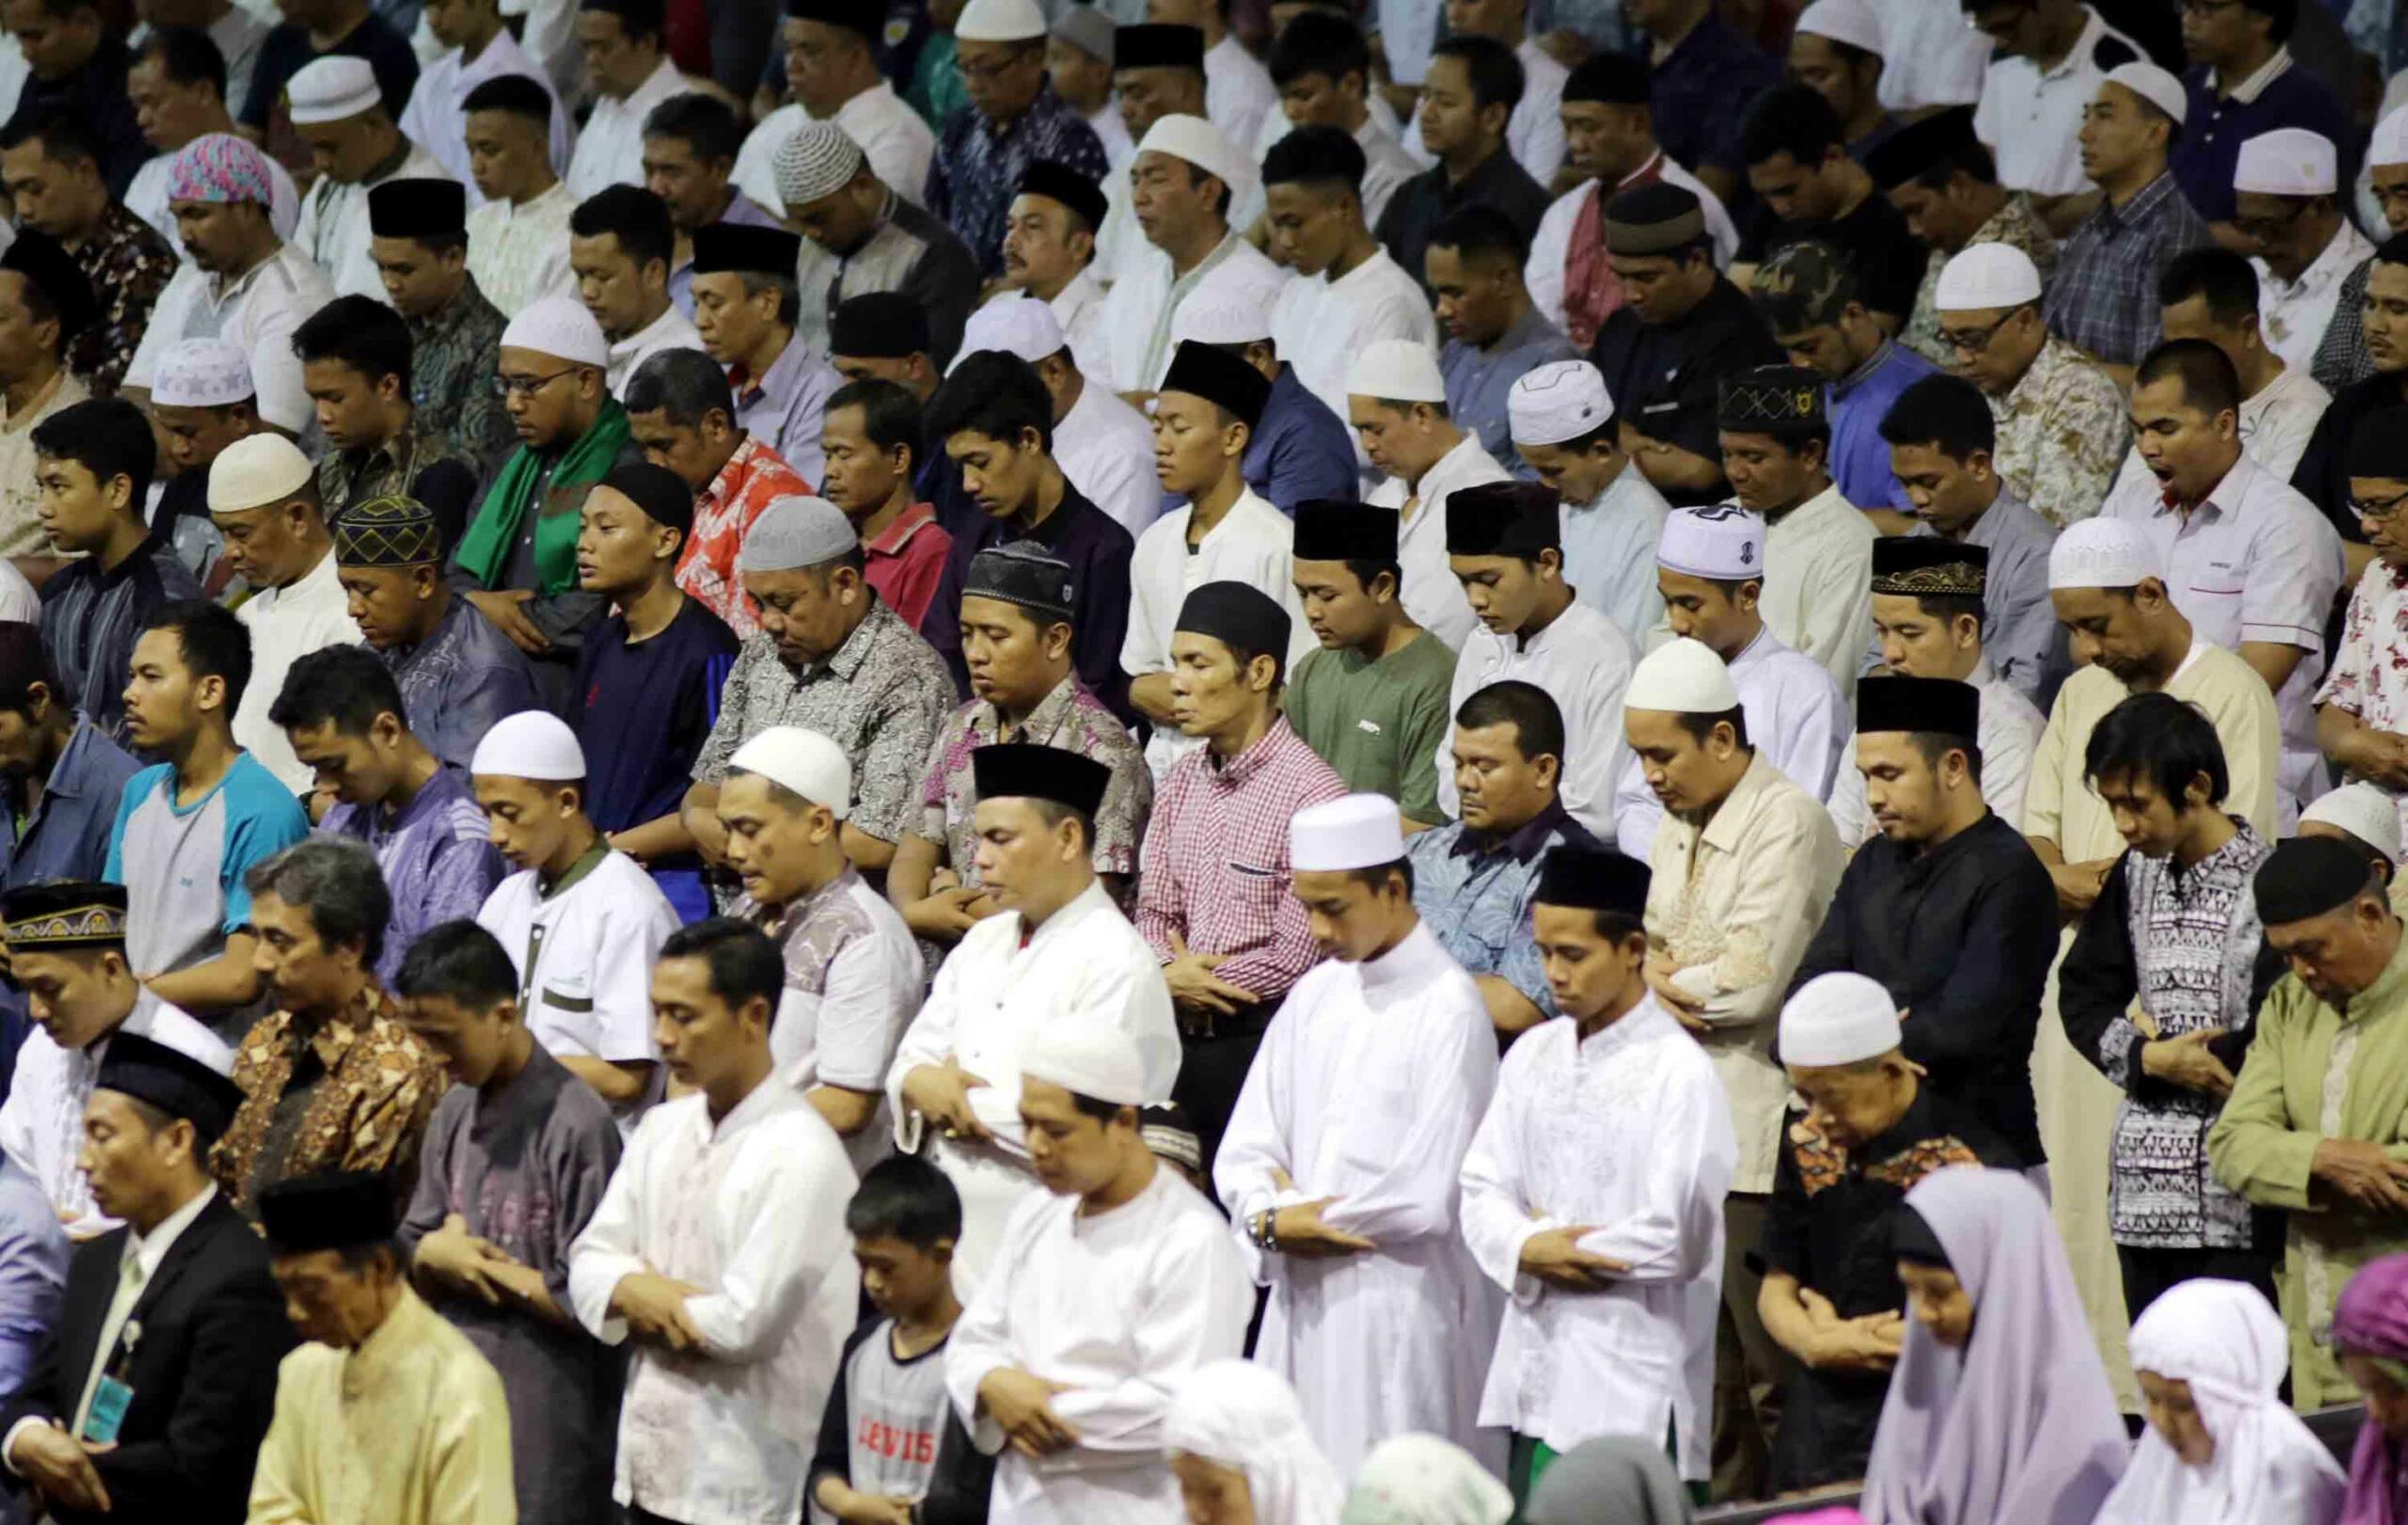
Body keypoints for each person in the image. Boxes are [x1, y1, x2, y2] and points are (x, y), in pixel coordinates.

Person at [1216, 793, 1499, 1473]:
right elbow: (1247, 1147)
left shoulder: (1449, 1008)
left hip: (1399, 1309)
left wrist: (1289, 1218)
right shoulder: (1315, 996)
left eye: (1333, 907)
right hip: (1302, 1303)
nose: (1316, 929)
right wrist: (1269, 1216)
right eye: (1306, 907)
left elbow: (1427, 1197)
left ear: (1393, 889)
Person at [1625, 637, 1843, 1494]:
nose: (1649, 776)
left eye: (1662, 755)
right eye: (1641, 756)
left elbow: (1749, 986)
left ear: (1721, 738)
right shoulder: (1678, 822)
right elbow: (1641, 951)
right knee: (1704, 1383)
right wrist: (1653, 975)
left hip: (1756, 1137)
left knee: (1770, 1378)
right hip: (1679, 1130)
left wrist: (1648, 982)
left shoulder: (1787, 819)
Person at [566, 918, 863, 1525]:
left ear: (753, 1016)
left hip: (746, 1474)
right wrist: (653, 1296)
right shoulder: (661, 1128)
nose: (662, 1036)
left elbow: (743, 1325)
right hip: (647, 1458)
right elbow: (587, 1265)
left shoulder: (802, 1151)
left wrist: (633, 1294)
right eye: (657, 1013)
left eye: (684, 1016)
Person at [1459, 843, 1733, 1499]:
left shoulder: (1679, 1073)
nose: (1553, 973)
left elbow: (1677, 1236)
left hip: (1635, 1376)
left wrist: (1550, 1244)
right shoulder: (1533, 1054)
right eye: (1543, 952)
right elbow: (1480, 1187)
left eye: (1573, 955)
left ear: (1633, 949)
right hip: (1537, 1362)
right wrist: (1528, 1244)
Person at [884, 741, 1178, 1285]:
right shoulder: (984, 939)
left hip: (1051, 1244)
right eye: (979, 839)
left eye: (1000, 839)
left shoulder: (1117, 961)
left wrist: (949, 1096)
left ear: (1068, 838)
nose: (979, 859)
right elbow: (909, 1061)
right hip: (946, 1230)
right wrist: (919, 1080)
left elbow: (1090, 1122)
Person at [943, 1020, 1249, 1523]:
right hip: (1020, 1501)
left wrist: (1030, 1408)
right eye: (1027, 1124)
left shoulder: (1192, 1240)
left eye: (1057, 1130)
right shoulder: (1037, 1211)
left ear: (1123, 1123)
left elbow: (1177, 1404)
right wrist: (990, 1381)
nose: (1036, 1146)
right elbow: (973, 1338)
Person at [391, 920, 626, 1525]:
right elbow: (413, 1245)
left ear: (503, 1015)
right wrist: (431, 1256)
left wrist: (478, 1268)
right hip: (451, 1394)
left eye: (445, 1038)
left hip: (545, 1414)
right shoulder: (453, 1109)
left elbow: (597, 1303)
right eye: (421, 1040)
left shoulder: (578, 1124)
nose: (434, 1058)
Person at [2056, 692, 2282, 1314]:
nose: (2124, 824)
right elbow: (2082, 992)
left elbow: (2275, 1025)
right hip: (2139, 1192)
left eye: (2136, 804)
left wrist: (2206, 1060)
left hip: (2236, 1194)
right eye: (2112, 805)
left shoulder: (2269, 882)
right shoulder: (2134, 874)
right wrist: (2148, 1056)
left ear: (2197, 787)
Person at [0, 1032, 282, 1525]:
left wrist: (69, 1469)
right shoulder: (95, 1260)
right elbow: (35, 1392)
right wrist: (24, 1439)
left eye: (103, 1136)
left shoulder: (242, 1275)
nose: (83, 1160)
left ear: (176, 1142)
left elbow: (207, 1463)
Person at [1754, 973, 2020, 1492]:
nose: (1816, 1119)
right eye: (1804, 1098)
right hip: (1820, 1417)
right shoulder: (1806, 1145)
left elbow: (2001, 1318)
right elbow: (1776, 1284)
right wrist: (1814, 1343)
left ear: (1892, 1071)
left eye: (1831, 1098)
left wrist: (1864, 1343)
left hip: (1937, 1410)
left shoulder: (1975, 1165)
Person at [1796, 675, 2055, 1171]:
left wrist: (1842, 1040)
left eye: (1889, 774)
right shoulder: (1871, 862)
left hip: (1982, 1161)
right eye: (1866, 777)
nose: (1873, 797)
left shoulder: (2011, 873)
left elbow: (1961, 1032)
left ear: (1953, 767)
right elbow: (1809, 989)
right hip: (1868, 1158)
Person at [1137, 582, 1346, 1164]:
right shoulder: (1181, 781)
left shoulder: (1314, 796)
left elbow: (1297, 953)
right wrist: (1167, 972)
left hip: (1260, 1043)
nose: (1177, 682)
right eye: (1175, 663)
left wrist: (1198, 982)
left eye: (1198, 664)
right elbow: (1153, 909)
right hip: (1170, 1035)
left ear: (1258, 672)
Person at [2102, 338, 2345, 823]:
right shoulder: (2128, 506)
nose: (2148, 447)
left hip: (2251, 791)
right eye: (2139, 430)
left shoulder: (2287, 525)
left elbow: (2251, 682)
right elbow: (2088, 635)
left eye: (2165, 428)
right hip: (2139, 777)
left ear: (2225, 424)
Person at [2210, 834, 2408, 1408]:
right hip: (2315, 1357)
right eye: (2285, 955)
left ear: (2369, 915)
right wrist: (2324, 1159)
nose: (2301, 970)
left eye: (2312, 949)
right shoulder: (2288, 1006)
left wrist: (2287, 1162)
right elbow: (2232, 1145)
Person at [887, 543, 1149, 961]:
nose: (976, 653)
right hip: (954, 969)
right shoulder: (961, 727)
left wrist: (951, 898)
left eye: (996, 636)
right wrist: (912, 909)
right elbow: (916, 845)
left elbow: (1085, 903)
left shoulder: (1102, 751)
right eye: (967, 634)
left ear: (1056, 640)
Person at [683, 495, 957, 877]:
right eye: (759, 604)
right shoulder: (760, 655)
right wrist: (696, 819)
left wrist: (749, 844)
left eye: (784, 603)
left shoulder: (908, 677)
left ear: (845, 584)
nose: (769, 622)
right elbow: (705, 790)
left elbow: (878, 842)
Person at [1857, 1168, 2130, 1525]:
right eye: (1910, 1290)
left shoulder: (2077, 1426)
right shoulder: (1930, 1382)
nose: (1921, 1314)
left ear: (2002, 1281)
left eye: (1939, 1292)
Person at [246, 1170, 515, 1524]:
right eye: (285, 1291)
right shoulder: (301, 1371)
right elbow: (271, 1511)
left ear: (379, 1268)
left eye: (311, 1291)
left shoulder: (461, 1389)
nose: (294, 1311)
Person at [719, 726, 921, 1168]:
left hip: (808, 1185)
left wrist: (724, 1127)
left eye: (749, 830)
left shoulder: (865, 937)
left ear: (818, 824)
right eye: (727, 830)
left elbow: (847, 1104)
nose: (733, 850)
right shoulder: (746, 911)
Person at [212, 840, 447, 1214]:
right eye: (257, 938)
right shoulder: (267, 1038)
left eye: (279, 942)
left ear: (349, 948)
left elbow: (346, 1230)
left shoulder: (399, 1072)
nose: (260, 962)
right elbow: (220, 1176)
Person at [105, 600, 312, 1025]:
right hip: (128, 1040)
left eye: (151, 677)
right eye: (131, 676)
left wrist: (128, 999)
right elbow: (109, 923)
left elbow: (242, 976)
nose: (130, 693)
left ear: (210, 692)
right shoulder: (140, 792)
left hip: (213, 1055)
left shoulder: (264, 811)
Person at [467, 708, 675, 1125]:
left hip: (597, 1150)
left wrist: (513, 1062)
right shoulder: (505, 899)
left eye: (509, 812)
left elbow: (627, 1079)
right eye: (488, 814)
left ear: (566, 802)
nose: (496, 835)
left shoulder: (629, 908)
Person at [1610, 504, 1848, 862]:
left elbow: (1799, 827)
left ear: (1747, 595)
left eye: (1690, 605)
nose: (1676, 622)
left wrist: (1708, 874)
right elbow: (1635, 804)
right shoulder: (1668, 672)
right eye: (1669, 602)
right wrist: (1671, 871)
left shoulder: (1805, 691)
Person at [918, 349, 1137, 721]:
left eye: (981, 462)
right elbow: (940, 656)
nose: (969, 484)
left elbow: (1098, 691)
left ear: (1030, 440)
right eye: (961, 467)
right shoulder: (972, 537)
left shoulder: (1104, 551)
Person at [0, 880, 230, 1229]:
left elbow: (203, 1211)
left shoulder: (191, 1057)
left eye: (49, 989)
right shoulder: (39, 1048)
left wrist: (100, 1244)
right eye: (26, 990)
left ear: (111, 969)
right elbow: (16, 1164)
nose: (36, 1011)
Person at [1126, 340, 1306, 783]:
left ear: (1233, 437)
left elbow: (1298, 688)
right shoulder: (1154, 541)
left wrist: (1204, 703)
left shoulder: (1277, 544)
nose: (1162, 445)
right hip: (1163, 768)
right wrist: (1205, 695)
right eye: (1157, 428)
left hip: (1255, 773)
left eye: (1179, 428)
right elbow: (1138, 680)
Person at [569, 459, 740, 922]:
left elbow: (719, 797)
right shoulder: (600, 640)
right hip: (590, 873)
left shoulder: (708, 650)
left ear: (665, 541)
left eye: (606, 528)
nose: (584, 544)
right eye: (584, 527)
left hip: (670, 890)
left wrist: (611, 851)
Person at [449, 294, 631, 710]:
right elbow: (457, 576)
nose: (513, 403)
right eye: (506, 385)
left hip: (573, 684)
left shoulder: (627, 468)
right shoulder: (509, 462)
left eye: (529, 385)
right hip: (483, 671)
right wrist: (479, 606)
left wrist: (487, 618)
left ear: (586, 382)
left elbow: (599, 605)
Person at [1434, 481, 1632, 839]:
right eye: (1464, 582)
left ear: (1547, 564)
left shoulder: (1607, 656)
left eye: (1489, 580)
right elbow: (1449, 778)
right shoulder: (1479, 643)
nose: (1475, 599)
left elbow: (1596, 808)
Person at [807, 1154, 992, 1525]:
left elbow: (978, 1496)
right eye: (863, 1264)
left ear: (940, 1256)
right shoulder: (862, 1346)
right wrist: (847, 1503)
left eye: (887, 1267)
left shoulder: (976, 1361)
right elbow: (826, 1466)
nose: (872, 1282)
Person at [1830, 540, 2047, 838]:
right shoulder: (1882, 713)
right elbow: (1838, 840)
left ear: (1965, 630)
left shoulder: (2009, 732)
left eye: (1909, 633)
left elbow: (1990, 857)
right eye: (1882, 631)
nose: (1890, 654)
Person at [1586, 183, 1783, 509]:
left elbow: (1695, 470)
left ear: (1696, 260)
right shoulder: (1620, 326)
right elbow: (1576, 418)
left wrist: (1601, 442)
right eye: (1620, 276)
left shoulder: (1743, 339)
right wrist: (1625, 444)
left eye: (1648, 278)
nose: (1631, 294)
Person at [121, 133, 331, 437]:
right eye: (178, 217)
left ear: (246, 208)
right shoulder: (190, 276)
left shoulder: (295, 299)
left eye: (197, 214)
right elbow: (135, 393)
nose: (184, 234)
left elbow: (268, 440)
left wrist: (160, 437)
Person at [1527, 52, 1738, 352]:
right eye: (1568, 127)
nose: (1575, 143)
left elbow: (1709, 316)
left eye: (1589, 127)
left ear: (1637, 123)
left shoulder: (1692, 208)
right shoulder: (1563, 212)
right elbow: (1541, 315)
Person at [2093, 1277, 2346, 1525]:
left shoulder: (2288, 1475)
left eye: (2183, 1406)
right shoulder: (2160, 1461)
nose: (2161, 1423)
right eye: (2151, 1399)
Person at [1877, 374, 2060, 703]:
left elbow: (2025, 692)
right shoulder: (1914, 541)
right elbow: (1873, 663)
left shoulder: (2038, 555)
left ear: (1978, 465)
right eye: (1905, 484)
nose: (1916, 499)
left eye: (1929, 482)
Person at [31, 397, 202, 743]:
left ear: (118, 490)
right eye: (41, 488)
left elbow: (164, 741)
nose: (43, 508)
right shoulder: (59, 593)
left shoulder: (166, 599)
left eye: (59, 487)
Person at [330, 494, 540, 773]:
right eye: (348, 590)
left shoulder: (482, 672)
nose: (353, 609)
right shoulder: (377, 648)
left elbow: (465, 795)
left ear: (423, 581)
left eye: (367, 591)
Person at [206, 434, 366, 795]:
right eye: (223, 534)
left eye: (241, 534)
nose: (229, 552)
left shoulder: (353, 612)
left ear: (297, 518)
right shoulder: (247, 615)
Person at [1283, 500, 1455, 831]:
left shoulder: (1435, 680)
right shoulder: (1311, 669)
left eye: (1327, 596)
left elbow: (1423, 822)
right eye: (1303, 594)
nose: (1312, 611)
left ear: (1382, 587)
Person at [1933, 240, 2131, 528]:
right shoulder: (1972, 389)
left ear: (2025, 321)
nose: (1962, 357)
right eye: (1951, 341)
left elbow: (2045, 535)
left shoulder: (2082, 395)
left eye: (1973, 340)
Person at [622, 345, 812, 641]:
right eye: (644, 448)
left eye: (664, 445)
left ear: (716, 425)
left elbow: (755, 647)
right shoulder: (679, 485)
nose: (653, 462)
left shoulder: (774, 504)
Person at [2106, 246, 2330, 496]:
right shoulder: (2166, 401)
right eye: (2173, 348)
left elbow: (2271, 513)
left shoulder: (2305, 411)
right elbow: (2123, 504)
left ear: (2248, 329)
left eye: (2196, 347)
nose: (2181, 363)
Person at [1715, 365, 1877, 698]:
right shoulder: (1721, 519)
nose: (1735, 472)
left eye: (1753, 458)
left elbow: (1821, 680)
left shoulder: (1853, 546)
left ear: (1810, 455)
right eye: (1727, 455)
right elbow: (1671, 631)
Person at [1260, 125, 1438, 428]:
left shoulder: (1392, 302)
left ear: (1344, 208)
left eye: (1295, 223)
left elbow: (1381, 431)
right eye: (1278, 226)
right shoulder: (1295, 291)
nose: (1285, 241)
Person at [1098, 113, 1289, 395]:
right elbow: (1096, 373)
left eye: (1156, 179)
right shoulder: (1132, 283)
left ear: (1208, 193)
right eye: (1135, 181)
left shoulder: (1263, 289)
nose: (1139, 197)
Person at [2046, 63, 2215, 381]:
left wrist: (2071, 370)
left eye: (2104, 116)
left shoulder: (2175, 237)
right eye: (2086, 116)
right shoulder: (2091, 226)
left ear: (2155, 133)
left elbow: (2164, 382)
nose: (2084, 134)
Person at [924, 0, 1106, 283]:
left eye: (987, 69)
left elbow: (1077, 255)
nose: (973, 84)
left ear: (1034, 60)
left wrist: (1008, 289)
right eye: (965, 68)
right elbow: (935, 220)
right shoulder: (958, 129)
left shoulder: (1070, 141)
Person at [1866, 105, 2060, 370]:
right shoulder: (1956, 237)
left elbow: (1978, 374)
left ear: (1959, 186)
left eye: (1917, 210)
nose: (1913, 229)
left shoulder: (2013, 256)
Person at [1751, 238, 1937, 512]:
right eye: (1789, 350)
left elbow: (1925, 524)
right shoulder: (1811, 388)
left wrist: (1815, 524)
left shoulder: (1923, 397)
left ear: (1852, 314)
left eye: (1809, 347)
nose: (1800, 364)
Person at [0, 115, 176, 398]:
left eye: (34, 189)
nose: (23, 208)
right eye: (12, 193)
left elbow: (120, 393)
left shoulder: (141, 260)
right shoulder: (29, 250)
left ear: (85, 172)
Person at [778, 121, 981, 368]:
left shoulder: (934, 254)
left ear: (862, 186)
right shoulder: (811, 241)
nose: (810, 234)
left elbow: (929, 372)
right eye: (799, 222)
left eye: (818, 219)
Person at [1352, 337, 1510, 650]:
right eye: (1360, 430)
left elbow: (1448, 628)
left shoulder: (1489, 498)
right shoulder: (1384, 496)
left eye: (1376, 429)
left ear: (1422, 416)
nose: (1367, 444)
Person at [958, 295, 1159, 540]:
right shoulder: (1019, 432)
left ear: (1054, 372)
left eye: (997, 392)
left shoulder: (1124, 455)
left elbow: (1110, 558)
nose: (986, 410)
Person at [1502, 358, 1670, 647]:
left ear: (1601, 451)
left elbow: (1627, 651)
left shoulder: (1651, 530)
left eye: (1553, 471)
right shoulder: (1554, 507)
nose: (1546, 486)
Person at [358, 179, 517, 480]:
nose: (390, 283)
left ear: (453, 258)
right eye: (381, 267)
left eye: (404, 270)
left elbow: (473, 466)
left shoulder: (493, 343)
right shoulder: (384, 329)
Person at [1733, 85, 1925, 331]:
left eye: (1787, 191)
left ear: (1832, 156)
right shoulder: (1773, 206)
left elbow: (1865, 344)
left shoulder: (1892, 227)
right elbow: (1734, 304)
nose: (1779, 208)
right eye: (1765, 194)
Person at [1375, 37, 1549, 302]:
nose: (1426, 114)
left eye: (1445, 103)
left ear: (1493, 117)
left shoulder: (1526, 207)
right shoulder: (1409, 196)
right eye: (1425, 96)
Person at [292, 295, 483, 536]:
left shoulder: (440, 477)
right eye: (315, 399)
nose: (322, 416)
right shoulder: (334, 466)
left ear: (388, 387)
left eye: (335, 399)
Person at [735, 0, 933, 221]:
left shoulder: (898, 143)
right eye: (788, 49)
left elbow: (860, 239)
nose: (792, 65)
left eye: (810, 51)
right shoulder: (775, 125)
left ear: (856, 58)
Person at [2171, 0, 2353, 233]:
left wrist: (2185, 237)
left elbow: (2303, 230)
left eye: (2207, 8)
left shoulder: (2309, 105)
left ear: (2261, 18)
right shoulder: (2184, 90)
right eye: (2186, 6)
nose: (2188, 20)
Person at [283, 57, 454, 302]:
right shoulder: (327, 188)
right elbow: (298, 281)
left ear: (373, 125)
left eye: (329, 147)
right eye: (313, 148)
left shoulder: (429, 193)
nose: (320, 162)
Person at [1430, 206, 1576, 479]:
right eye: (1439, 294)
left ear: (1504, 281)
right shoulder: (1453, 354)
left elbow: (1540, 489)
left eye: (1455, 293)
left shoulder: (1553, 366)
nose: (1442, 310)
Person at [123, 27, 296, 257]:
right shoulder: (147, 176)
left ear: (203, 91)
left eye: (153, 103)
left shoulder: (263, 177)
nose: (142, 118)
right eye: (138, 107)